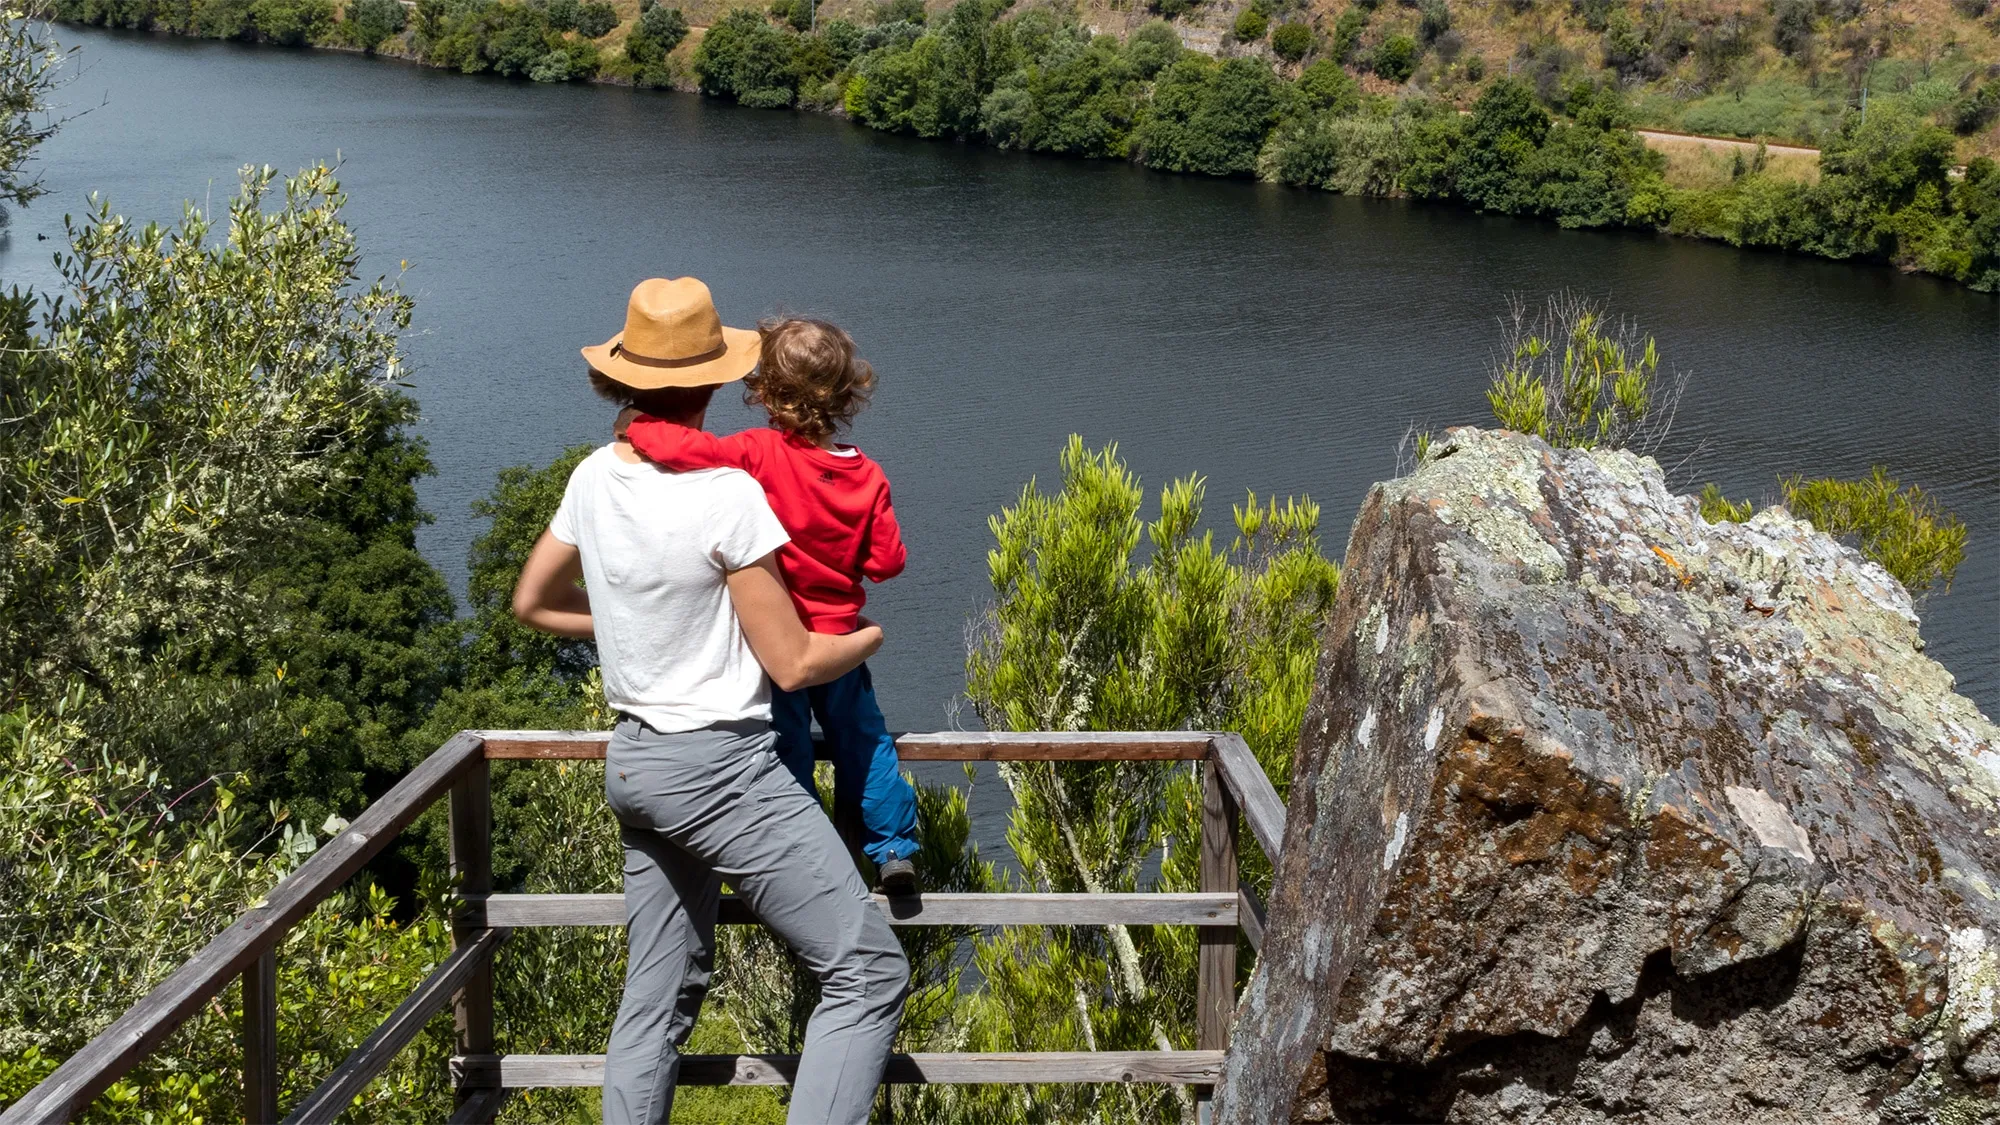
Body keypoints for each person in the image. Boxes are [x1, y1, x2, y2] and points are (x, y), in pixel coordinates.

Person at [512, 277, 910, 1125]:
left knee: (660, 991)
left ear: (623, 378)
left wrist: (621, 627)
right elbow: (796, 662)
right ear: (710, 382)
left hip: (639, 764)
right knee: (869, 970)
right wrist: (870, 638)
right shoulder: (728, 494)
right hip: (720, 768)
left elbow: (532, 602)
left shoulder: (592, 477)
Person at [623, 317, 922, 895]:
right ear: (847, 393)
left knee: (785, 749)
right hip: (838, 646)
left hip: (775, 642)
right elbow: (888, 564)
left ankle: (811, 858)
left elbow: (691, 451)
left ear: (762, 391)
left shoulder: (756, 453)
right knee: (865, 740)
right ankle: (893, 850)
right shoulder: (869, 475)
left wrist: (640, 429)